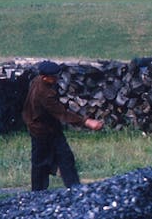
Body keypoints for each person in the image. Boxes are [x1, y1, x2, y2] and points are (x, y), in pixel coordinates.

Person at [21, 60, 103, 191]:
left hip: (47, 127)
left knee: (64, 158)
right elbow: (62, 113)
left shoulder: (38, 80)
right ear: (45, 77)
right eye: (54, 76)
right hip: (42, 131)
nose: (57, 78)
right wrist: (86, 122)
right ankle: (38, 194)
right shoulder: (44, 93)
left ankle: (73, 189)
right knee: (41, 163)